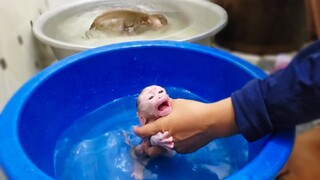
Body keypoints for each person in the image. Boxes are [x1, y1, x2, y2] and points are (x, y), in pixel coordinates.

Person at [133, 40, 320, 154]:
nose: (159, 96)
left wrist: (211, 120)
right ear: (142, 117)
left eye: (160, 91)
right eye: (151, 98)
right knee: (142, 151)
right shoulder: (147, 127)